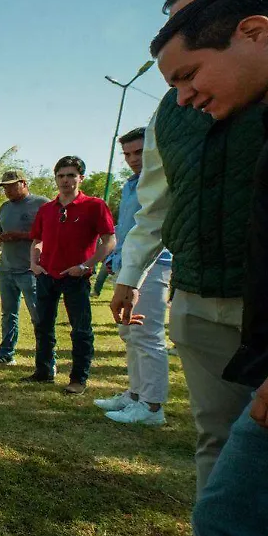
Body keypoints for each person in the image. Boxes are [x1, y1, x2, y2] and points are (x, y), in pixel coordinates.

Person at [112, 0, 268, 536]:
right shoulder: (172, 107)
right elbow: (156, 198)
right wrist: (132, 275)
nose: (184, 91)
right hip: (201, 287)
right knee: (217, 432)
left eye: (201, 13)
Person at [96, 128, 173, 425]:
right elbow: (126, 229)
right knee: (129, 332)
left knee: (147, 333)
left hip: (153, 265)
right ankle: (136, 394)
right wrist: (115, 259)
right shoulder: (130, 185)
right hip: (127, 266)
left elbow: (155, 229)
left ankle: (153, 407)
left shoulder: (162, 181)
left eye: (139, 152)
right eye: (127, 154)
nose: (132, 159)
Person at [25, 156, 116, 395]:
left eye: (71, 175)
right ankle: (43, 371)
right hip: (47, 275)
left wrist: (86, 266)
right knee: (43, 325)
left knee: (80, 329)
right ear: (55, 178)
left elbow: (109, 241)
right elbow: (37, 240)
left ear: (80, 178)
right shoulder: (46, 209)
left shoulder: (95, 206)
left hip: (76, 277)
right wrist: (34, 263)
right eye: (61, 176)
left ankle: (78, 379)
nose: (65, 180)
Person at [0, 170, 49, 366]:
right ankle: (6, 353)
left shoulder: (41, 204)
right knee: (8, 314)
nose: (8, 191)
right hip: (6, 268)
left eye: (12, 186)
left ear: (24, 183)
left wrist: (20, 235)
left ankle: (45, 357)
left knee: (39, 315)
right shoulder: (4, 208)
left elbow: (50, 233)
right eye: (5, 187)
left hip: (30, 269)